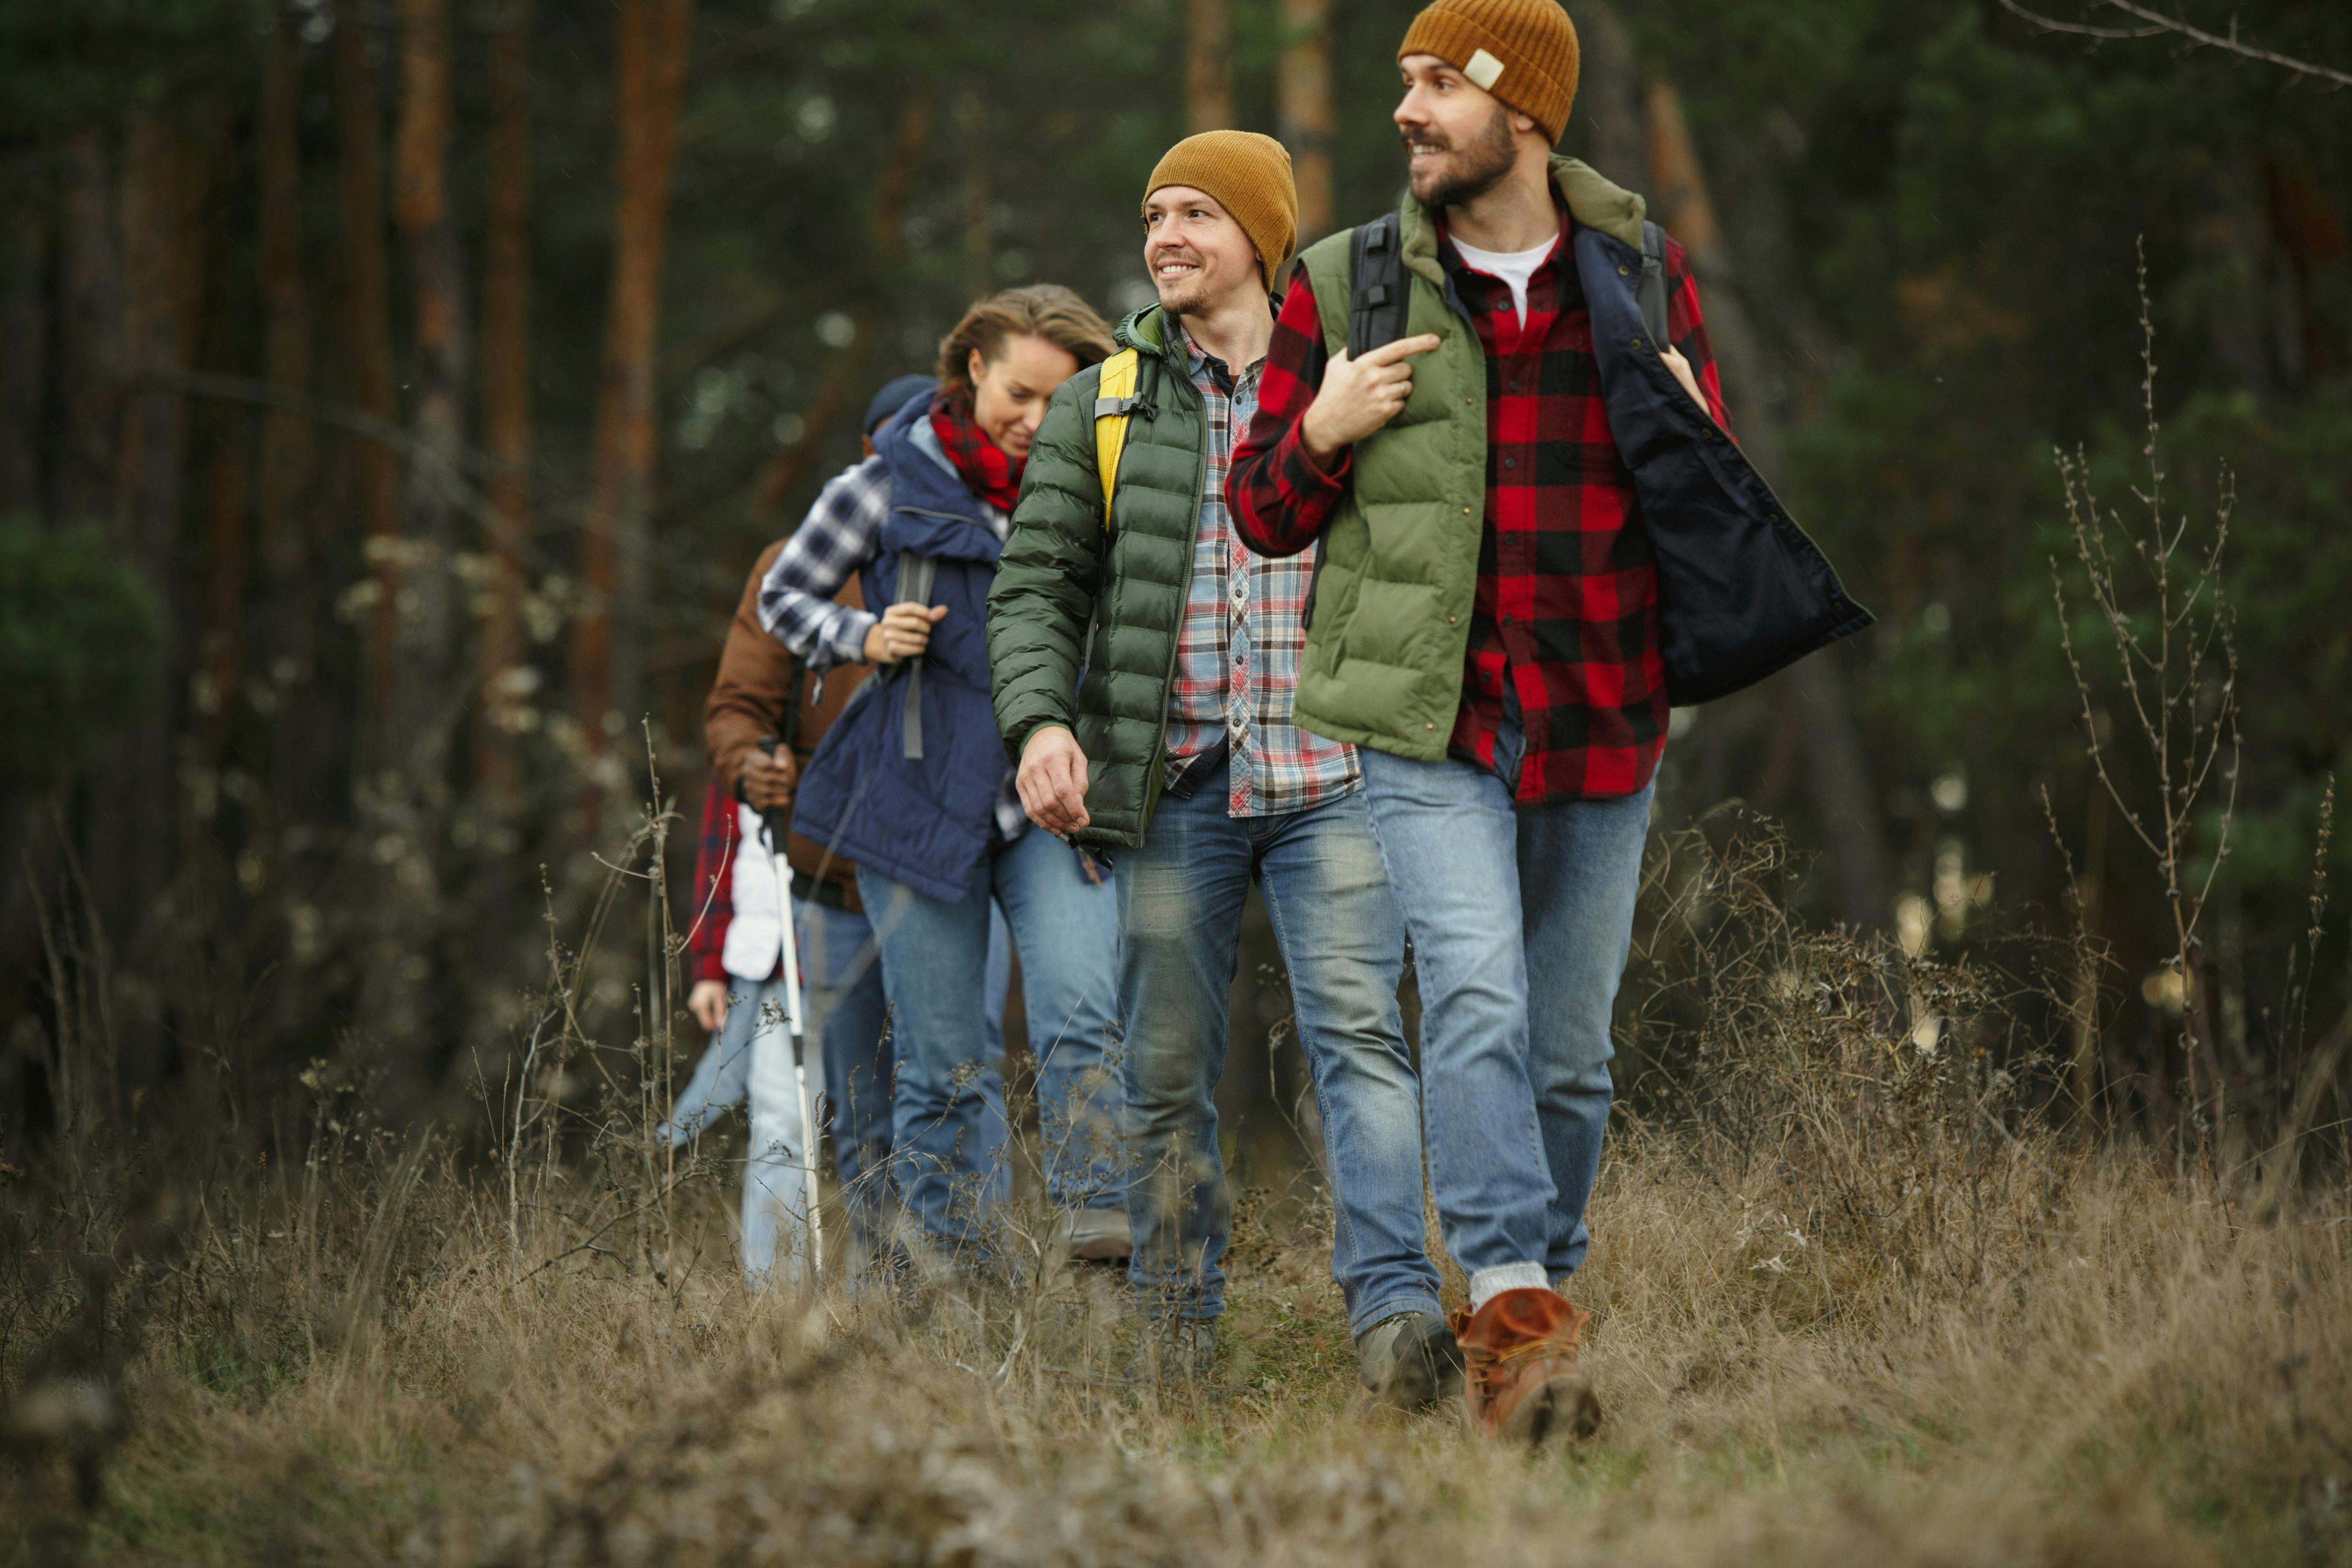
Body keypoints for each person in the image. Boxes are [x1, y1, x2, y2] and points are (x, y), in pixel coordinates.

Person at [1228, 0, 1868, 1442]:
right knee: (1471, 993)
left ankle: (1527, 1315)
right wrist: (1318, 431)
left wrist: (1701, 438)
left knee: (1569, 1051)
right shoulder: (1345, 282)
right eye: (1400, 80)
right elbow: (1261, 512)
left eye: (1436, 82)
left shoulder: (1639, 272)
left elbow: (1703, 500)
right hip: (1425, 717)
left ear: (1523, 108)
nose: (1404, 109)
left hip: (1599, 708)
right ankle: (1515, 1305)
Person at [985, 132, 1454, 1404]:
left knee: (1359, 1045)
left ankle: (1400, 1326)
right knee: (1165, 1068)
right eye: (1152, 214)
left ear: (1263, 233)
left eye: (1195, 211)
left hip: (1337, 778)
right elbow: (1035, 589)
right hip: (1170, 786)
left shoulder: (1357, 378)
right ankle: (1177, 1337)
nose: (1164, 236)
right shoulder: (1106, 403)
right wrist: (1040, 726)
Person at [760, 287, 1132, 1276]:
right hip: (915, 795)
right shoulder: (882, 486)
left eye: (1062, 400)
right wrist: (863, 635)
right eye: (1019, 393)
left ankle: (1101, 1236)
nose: (1035, 420)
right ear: (973, 369)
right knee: (942, 1063)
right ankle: (953, 1278)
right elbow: (780, 595)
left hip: (1051, 799)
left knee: (1081, 1011)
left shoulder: (1099, 486)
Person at [668, 374, 1026, 1281]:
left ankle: (977, 1276)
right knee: (864, 1096)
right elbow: (737, 706)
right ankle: (886, 1288)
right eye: (883, 450)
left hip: (951, 868)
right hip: (832, 877)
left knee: (961, 1069)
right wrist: (756, 763)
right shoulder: (798, 562)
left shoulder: (985, 545)